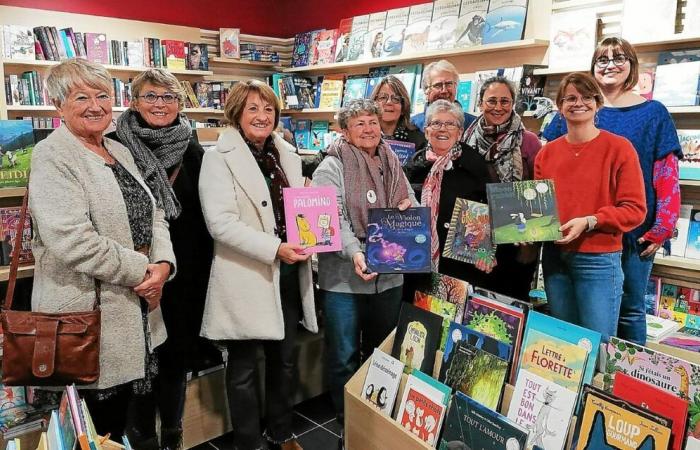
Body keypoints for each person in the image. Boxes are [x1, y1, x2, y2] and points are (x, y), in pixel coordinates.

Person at [29, 58, 176, 439]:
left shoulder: (119, 150)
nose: (95, 105)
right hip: (90, 320)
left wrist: (163, 264)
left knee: (133, 423)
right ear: (57, 104)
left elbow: (155, 210)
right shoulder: (52, 155)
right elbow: (71, 239)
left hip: (137, 310)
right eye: (81, 97)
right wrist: (143, 272)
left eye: (102, 95)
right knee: (97, 429)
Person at [198, 80, 317, 450]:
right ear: (236, 113)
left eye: (268, 110)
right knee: (244, 368)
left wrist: (310, 220)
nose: (262, 116)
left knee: (284, 361)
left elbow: (295, 211)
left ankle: (281, 431)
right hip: (247, 275)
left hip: (287, 273)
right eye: (253, 109)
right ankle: (248, 442)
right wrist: (275, 248)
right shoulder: (218, 158)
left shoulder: (286, 155)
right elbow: (220, 224)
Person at [542, 37, 682, 345]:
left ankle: (626, 385)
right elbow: (549, 168)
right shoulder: (571, 110)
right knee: (578, 320)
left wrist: (662, 228)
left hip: (634, 230)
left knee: (630, 308)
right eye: (602, 60)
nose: (610, 65)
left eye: (619, 58)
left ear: (632, 65)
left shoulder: (653, 112)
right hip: (571, 235)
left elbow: (667, 174)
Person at [107, 68, 216, 450]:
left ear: (180, 103)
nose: (160, 104)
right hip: (133, 268)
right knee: (137, 359)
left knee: (174, 357)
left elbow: (208, 210)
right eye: (151, 96)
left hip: (185, 270)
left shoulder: (193, 146)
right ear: (134, 102)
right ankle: (142, 437)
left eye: (168, 97)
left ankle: (172, 432)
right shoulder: (113, 144)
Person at [312, 98, 416, 423]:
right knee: (343, 353)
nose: (369, 129)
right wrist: (356, 252)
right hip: (344, 276)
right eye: (359, 123)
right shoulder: (330, 167)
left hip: (388, 273)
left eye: (373, 121)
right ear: (345, 131)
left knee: (380, 349)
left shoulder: (390, 159)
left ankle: (374, 414)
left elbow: (407, 196)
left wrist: (408, 209)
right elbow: (333, 219)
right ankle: (348, 418)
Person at [535, 72, 647, 342]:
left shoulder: (619, 149)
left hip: (598, 261)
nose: (578, 103)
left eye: (587, 97)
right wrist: (525, 231)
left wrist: (590, 221)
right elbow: (538, 210)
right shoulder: (546, 154)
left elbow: (635, 209)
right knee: (563, 345)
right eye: (570, 98)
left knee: (597, 345)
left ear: (598, 104)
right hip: (554, 259)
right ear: (560, 107)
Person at [456, 76, 542, 300]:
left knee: (511, 304)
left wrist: (530, 235)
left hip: (516, 238)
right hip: (476, 234)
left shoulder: (529, 141)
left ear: (513, 103)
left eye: (505, 101)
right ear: (480, 103)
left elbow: (537, 187)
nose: (498, 107)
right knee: (475, 302)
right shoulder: (465, 139)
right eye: (491, 101)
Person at [410, 60, 476, 132]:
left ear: (456, 87)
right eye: (438, 85)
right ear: (426, 90)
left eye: (449, 84)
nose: (444, 90)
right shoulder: (412, 125)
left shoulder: (473, 124)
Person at [370, 75, 427, 153]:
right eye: (382, 97)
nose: (389, 102)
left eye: (396, 99)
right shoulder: (364, 134)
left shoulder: (419, 140)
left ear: (403, 108)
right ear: (374, 104)